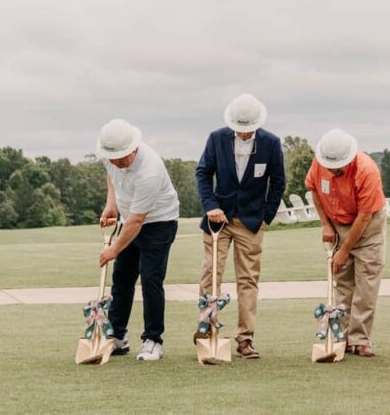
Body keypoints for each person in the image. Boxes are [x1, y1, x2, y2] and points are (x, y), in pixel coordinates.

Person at [195, 93, 286, 359]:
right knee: (211, 273)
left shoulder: (271, 143)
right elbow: (203, 172)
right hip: (217, 220)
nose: (244, 135)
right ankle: (207, 328)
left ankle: (245, 339)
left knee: (248, 279)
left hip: (251, 221)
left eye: (248, 131)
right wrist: (211, 205)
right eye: (239, 130)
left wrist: (265, 218)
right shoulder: (216, 138)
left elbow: (278, 182)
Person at [95, 119, 180, 362]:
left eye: (121, 158)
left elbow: (137, 221)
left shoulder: (149, 171)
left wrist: (113, 249)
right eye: (113, 158)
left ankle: (153, 340)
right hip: (127, 215)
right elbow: (111, 176)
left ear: (133, 149)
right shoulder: (109, 152)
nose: (116, 163)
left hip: (159, 222)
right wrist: (111, 204)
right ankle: (117, 336)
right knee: (121, 278)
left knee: (151, 278)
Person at [305, 129, 387, 357]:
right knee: (343, 283)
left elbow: (365, 216)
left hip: (368, 227)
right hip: (337, 222)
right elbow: (314, 190)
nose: (332, 171)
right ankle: (339, 336)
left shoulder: (366, 170)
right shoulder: (320, 163)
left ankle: (360, 339)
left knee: (366, 284)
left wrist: (345, 250)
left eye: (337, 167)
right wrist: (326, 225)